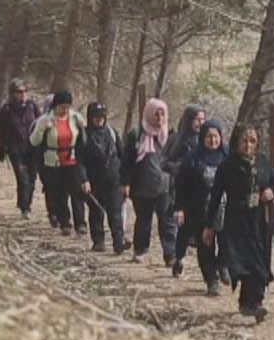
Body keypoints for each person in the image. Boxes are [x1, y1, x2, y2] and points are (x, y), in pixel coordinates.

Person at [205, 124, 274, 321]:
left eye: (252, 141)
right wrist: (209, 226)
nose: (248, 145)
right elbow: (216, 196)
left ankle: (255, 303)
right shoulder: (227, 165)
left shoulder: (263, 162)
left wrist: (271, 192)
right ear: (237, 142)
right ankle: (247, 303)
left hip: (260, 221)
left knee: (260, 263)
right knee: (243, 264)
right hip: (236, 222)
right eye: (244, 141)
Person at [173, 122, 228, 295]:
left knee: (228, 242)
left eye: (216, 137)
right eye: (209, 137)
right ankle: (211, 280)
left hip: (226, 209)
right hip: (199, 210)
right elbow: (181, 185)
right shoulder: (192, 158)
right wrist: (180, 208)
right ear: (202, 138)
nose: (213, 141)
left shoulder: (228, 156)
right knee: (206, 247)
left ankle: (223, 265)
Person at [121, 97, 176, 265]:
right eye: (156, 114)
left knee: (167, 221)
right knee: (144, 220)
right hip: (142, 186)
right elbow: (127, 161)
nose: (159, 118)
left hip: (165, 186)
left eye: (162, 114)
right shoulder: (137, 135)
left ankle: (170, 254)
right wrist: (125, 183)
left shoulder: (171, 136)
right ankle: (140, 250)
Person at [27, 91, 89, 236]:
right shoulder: (45, 120)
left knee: (77, 192)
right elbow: (34, 141)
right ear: (55, 106)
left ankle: (80, 223)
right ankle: (65, 222)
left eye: (67, 106)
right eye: (62, 106)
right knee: (59, 193)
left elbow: (84, 135)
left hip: (72, 159)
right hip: (53, 160)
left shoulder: (75, 118)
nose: (65, 110)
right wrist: (42, 128)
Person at [77, 102, 127, 254]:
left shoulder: (112, 133)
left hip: (114, 180)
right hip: (94, 181)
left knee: (115, 212)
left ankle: (119, 241)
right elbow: (79, 161)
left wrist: (126, 180)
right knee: (96, 212)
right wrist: (84, 180)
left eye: (102, 117)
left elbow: (123, 156)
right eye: (96, 117)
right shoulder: (84, 136)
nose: (99, 120)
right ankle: (98, 241)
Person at [0, 79, 40, 219]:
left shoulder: (32, 106)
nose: (23, 94)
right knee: (22, 177)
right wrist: (0, 148)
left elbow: (41, 125)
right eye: (20, 92)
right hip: (15, 148)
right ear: (12, 94)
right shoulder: (6, 109)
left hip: (32, 147)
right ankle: (25, 208)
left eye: (25, 91)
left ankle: (26, 203)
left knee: (32, 177)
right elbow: (1, 131)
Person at [162, 104, 207, 203]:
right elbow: (162, 161)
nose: (201, 123)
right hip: (175, 189)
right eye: (197, 119)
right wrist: (178, 167)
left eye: (203, 119)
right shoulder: (174, 139)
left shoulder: (205, 141)